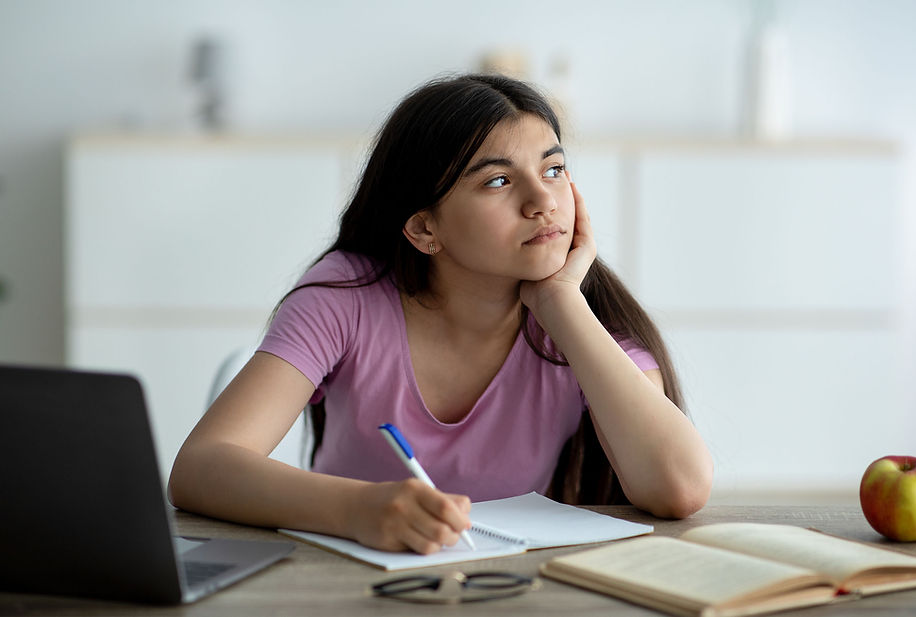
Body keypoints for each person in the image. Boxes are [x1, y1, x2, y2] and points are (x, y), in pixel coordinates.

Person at [168, 73, 713, 555]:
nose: (542, 201)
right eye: (498, 180)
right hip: (343, 580)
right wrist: (359, 510)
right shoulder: (345, 296)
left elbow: (680, 488)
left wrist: (562, 304)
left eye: (553, 169)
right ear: (425, 229)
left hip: (514, 583)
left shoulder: (586, 320)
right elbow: (201, 467)